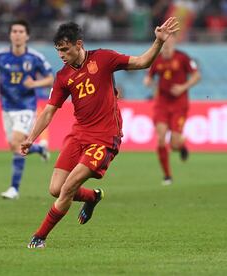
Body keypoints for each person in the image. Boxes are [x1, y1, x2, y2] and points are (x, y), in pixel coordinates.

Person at [20, 18, 180, 248]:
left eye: (65, 50)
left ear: (79, 44)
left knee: (66, 189)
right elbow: (48, 112)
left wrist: (158, 42)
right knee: (55, 189)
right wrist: (30, 138)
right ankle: (93, 196)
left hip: (104, 138)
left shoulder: (104, 58)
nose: (62, 55)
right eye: (58, 51)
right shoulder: (63, 76)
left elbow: (142, 62)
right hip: (78, 135)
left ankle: (40, 237)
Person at [0, 19, 54, 199]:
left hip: (26, 107)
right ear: (10, 35)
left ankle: (14, 189)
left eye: (21, 31)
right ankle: (40, 149)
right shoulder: (0, 56)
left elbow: (50, 79)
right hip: (6, 107)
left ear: (27, 36)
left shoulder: (35, 57)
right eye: (14, 31)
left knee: (16, 141)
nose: (17, 34)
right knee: (15, 146)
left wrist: (35, 83)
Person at [143, 34, 201, 185]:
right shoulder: (157, 59)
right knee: (161, 139)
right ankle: (167, 176)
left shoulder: (183, 58)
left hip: (179, 104)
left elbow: (197, 76)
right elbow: (149, 77)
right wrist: (149, 82)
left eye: (169, 39)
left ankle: (181, 145)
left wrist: (183, 87)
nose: (167, 43)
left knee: (174, 144)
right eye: (165, 40)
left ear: (174, 41)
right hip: (162, 102)